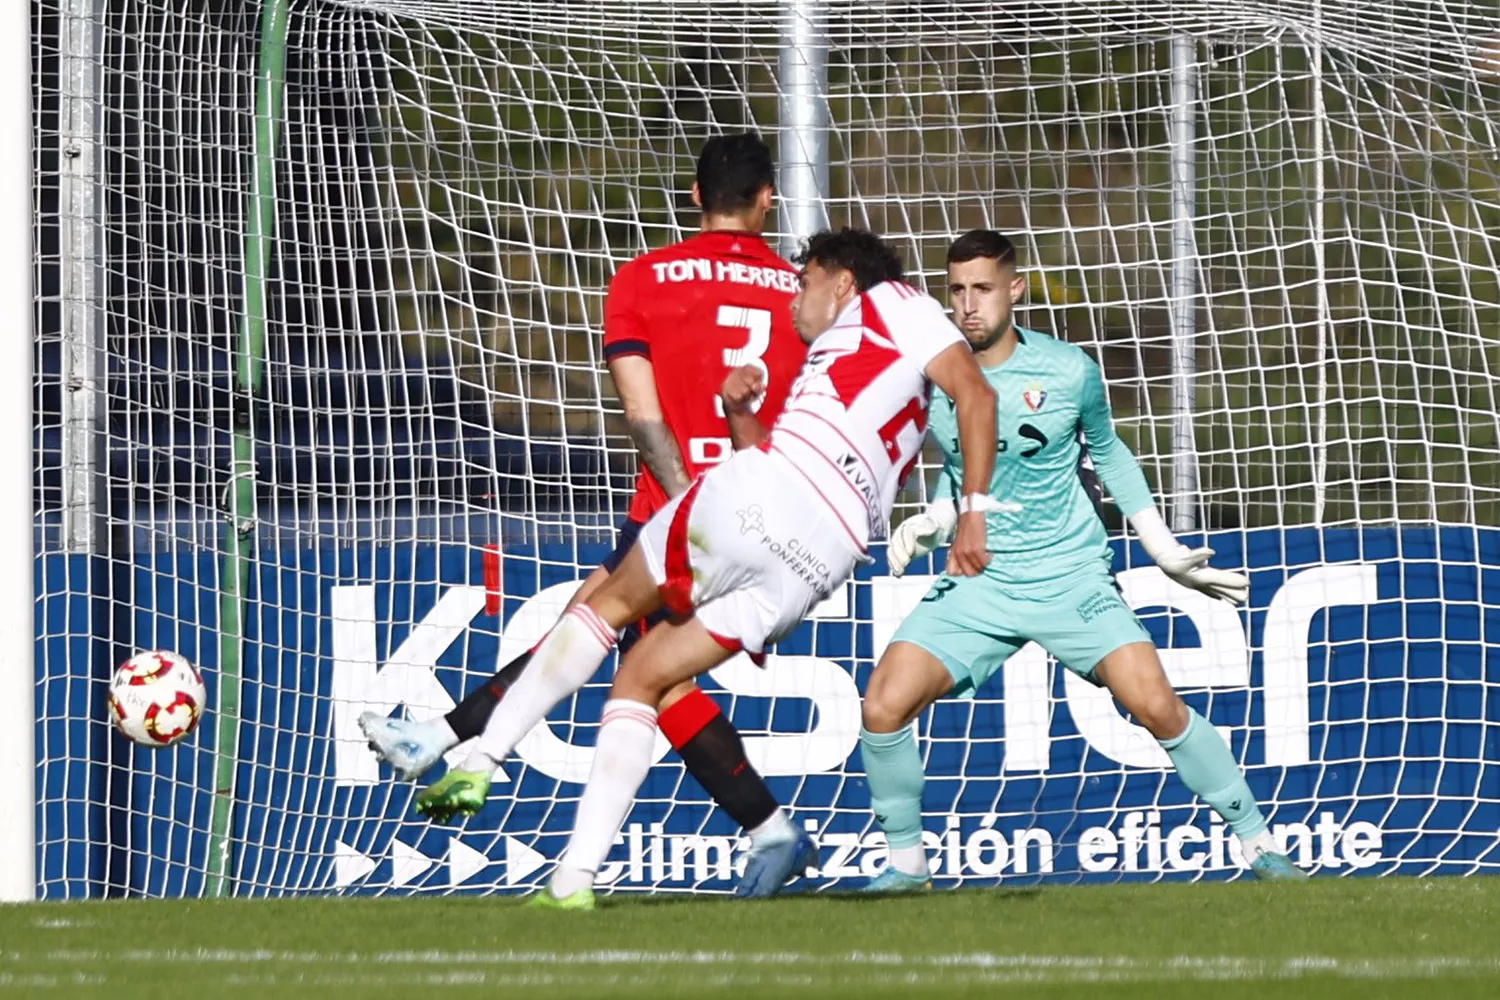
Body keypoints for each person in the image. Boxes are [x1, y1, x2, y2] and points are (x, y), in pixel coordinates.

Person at [420, 227, 1001, 909]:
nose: (794, 299)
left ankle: (482, 760)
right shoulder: (851, 361)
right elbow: (797, 451)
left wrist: (973, 512)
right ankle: (572, 883)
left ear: (843, 280)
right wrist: (737, 412)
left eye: (805, 279)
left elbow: (977, 395)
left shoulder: (894, 303)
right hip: (817, 560)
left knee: (608, 601)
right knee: (643, 673)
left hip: (768, 495)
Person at [359, 132, 814, 897]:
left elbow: (642, 413)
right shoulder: (802, 296)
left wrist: (680, 507)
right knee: (613, 643)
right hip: (767, 509)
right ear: (769, 199)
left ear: (695, 196)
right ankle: (436, 740)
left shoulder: (641, 277)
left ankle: (564, 833)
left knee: (628, 663)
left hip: (678, 510)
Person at [859, 229, 1304, 891]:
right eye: (956, 290)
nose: (968, 305)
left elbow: (1111, 454)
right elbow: (943, 466)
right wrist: (930, 518)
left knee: (1156, 705)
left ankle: (1262, 846)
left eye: (982, 288)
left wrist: (1162, 548)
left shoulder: (1069, 369)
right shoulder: (934, 375)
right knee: (882, 705)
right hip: (982, 579)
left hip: (1071, 575)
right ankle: (906, 869)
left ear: (1014, 289)